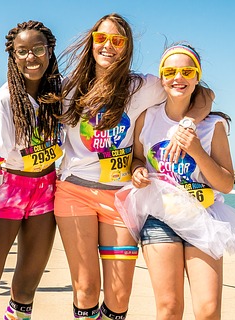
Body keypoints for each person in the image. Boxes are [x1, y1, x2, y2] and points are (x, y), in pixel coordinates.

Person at [54, 14, 213, 319]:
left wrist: (190, 121)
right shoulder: (69, 88)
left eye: (117, 40)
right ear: (91, 43)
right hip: (75, 193)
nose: (108, 46)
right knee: (86, 288)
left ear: (126, 48)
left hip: (121, 198)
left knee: (118, 295)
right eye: (101, 39)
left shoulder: (142, 86)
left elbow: (204, 94)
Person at [131, 43, 235, 320]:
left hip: (204, 216)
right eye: (171, 71)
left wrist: (196, 150)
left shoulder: (214, 125)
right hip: (160, 217)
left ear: (197, 77)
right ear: (161, 78)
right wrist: (137, 171)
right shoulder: (147, 118)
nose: (178, 78)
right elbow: (138, 159)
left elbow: (226, 184)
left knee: (208, 310)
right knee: (169, 308)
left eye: (187, 71)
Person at [0, 20, 62, 320]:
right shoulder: (2, 101)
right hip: (9, 193)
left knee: (26, 290)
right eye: (22, 52)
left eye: (38, 49)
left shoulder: (59, 91)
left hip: (46, 191)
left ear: (49, 50)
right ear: (13, 57)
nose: (31, 58)